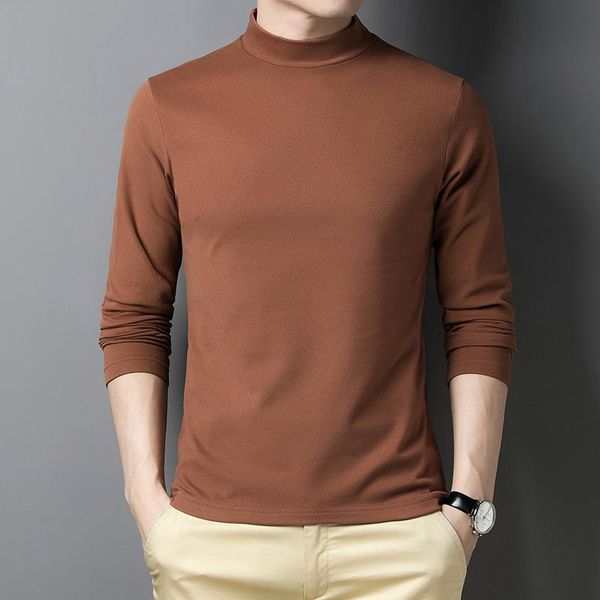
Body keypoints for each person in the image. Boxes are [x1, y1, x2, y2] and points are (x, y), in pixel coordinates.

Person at [97, 1, 517, 598]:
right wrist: (144, 496)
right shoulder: (169, 106)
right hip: (214, 545)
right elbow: (135, 316)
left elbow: (479, 316)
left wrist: (469, 504)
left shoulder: (443, 106)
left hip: (398, 548)